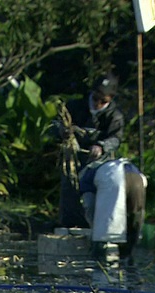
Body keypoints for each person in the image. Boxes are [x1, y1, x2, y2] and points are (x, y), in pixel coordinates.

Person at [53, 73, 125, 228]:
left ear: (110, 99)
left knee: (95, 194)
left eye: (103, 101)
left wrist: (101, 146)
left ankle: (95, 228)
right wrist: (62, 131)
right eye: (95, 98)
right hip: (73, 159)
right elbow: (55, 124)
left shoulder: (115, 116)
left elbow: (116, 139)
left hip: (99, 163)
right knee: (70, 190)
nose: (98, 103)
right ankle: (68, 226)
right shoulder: (74, 106)